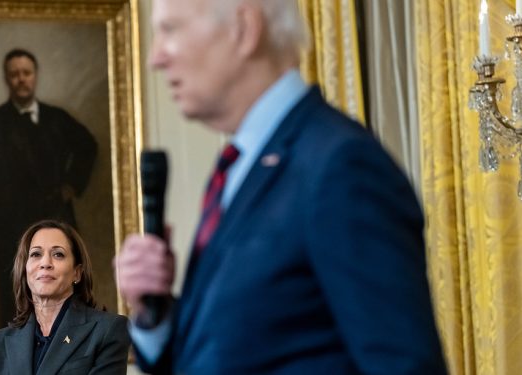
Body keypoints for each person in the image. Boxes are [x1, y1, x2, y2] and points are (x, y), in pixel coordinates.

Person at [113, 0, 448, 374]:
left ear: (244, 29)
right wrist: (153, 315)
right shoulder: (242, 167)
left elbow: (404, 365)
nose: (155, 58)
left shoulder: (341, 165)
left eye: (171, 30)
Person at [0, 48, 98, 322]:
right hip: (7, 224)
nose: (21, 79)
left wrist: (72, 184)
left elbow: (88, 147)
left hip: (54, 217)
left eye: (26, 73)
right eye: (14, 74)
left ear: (35, 76)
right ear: (7, 79)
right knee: (11, 302)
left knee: (63, 298)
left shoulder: (57, 118)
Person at [0, 220, 130, 375]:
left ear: (77, 272)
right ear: (24, 270)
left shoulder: (108, 330)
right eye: (36, 254)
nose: (45, 263)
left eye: (58, 254)